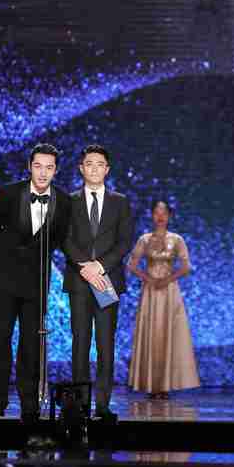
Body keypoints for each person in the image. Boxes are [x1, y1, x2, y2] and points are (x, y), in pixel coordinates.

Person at [0, 143, 70, 422]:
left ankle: (29, 404)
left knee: (32, 344)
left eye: (49, 167)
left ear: (55, 171)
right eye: (38, 166)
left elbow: (60, 238)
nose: (43, 173)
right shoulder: (9, 193)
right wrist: (8, 255)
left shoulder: (63, 201)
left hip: (36, 281)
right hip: (5, 279)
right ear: (30, 166)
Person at [64, 144, 134, 421]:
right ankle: (80, 404)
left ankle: (103, 404)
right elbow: (65, 239)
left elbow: (124, 241)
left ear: (107, 169)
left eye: (99, 164)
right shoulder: (69, 201)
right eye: (89, 164)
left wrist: (100, 267)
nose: (94, 168)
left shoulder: (120, 202)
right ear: (81, 168)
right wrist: (86, 267)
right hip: (80, 281)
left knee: (106, 343)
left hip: (107, 281)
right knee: (80, 342)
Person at [127, 199, 200, 397]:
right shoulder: (144, 239)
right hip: (150, 291)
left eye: (164, 213)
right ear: (152, 215)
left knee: (168, 333)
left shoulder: (177, 239)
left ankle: (165, 385)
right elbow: (132, 265)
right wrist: (148, 278)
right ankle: (151, 385)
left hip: (169, 291)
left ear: (169, 216)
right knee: (151, 332)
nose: (160, 217)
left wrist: (168, 279)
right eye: (156, 213)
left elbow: (186, 267)